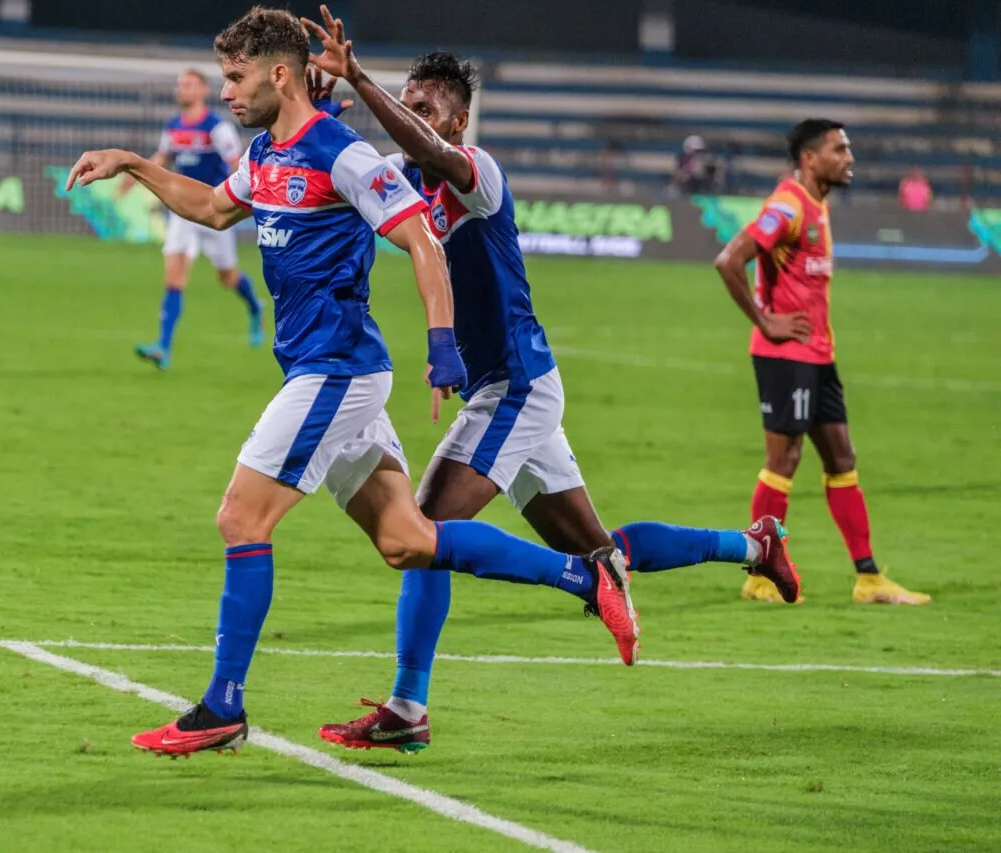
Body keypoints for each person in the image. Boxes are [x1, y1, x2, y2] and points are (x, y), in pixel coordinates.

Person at [65, 6, 645, 759]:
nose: (227, 93)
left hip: (337, 373)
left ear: (280, 74)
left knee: (242, 518)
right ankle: (585, 575)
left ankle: (221, 706)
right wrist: (134, 163)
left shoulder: (340, 154)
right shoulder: (268, 153)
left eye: (236, 78)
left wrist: (443, 349)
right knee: (409, 540)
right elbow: (211, 209)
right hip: (327, 372)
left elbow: (420, 237)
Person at [300, 7, 798, 753]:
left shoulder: (479, 173)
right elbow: (356, 170)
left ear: (460, 118)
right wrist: (318, 108)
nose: (413, 112)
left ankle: (409, 708)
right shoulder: (412, 181)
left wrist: (363, 80)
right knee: (606, 552)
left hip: (516, 388)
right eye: (409, 100)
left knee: (427, 527)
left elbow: (419, 146)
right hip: (511, 389)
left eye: (426, 103)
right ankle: (755, 545)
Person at [714, 118, 930, 606]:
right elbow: (730, 260)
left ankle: (869, 578)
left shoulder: (816, 203)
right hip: (785, 356)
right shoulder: (788, 205)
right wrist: (766, 320)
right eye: (840, 148)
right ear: (810, 159)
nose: (849, 156)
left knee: (841, 458)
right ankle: (759, 573)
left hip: (818, 355)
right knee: (783, 460)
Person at [118, 69, 264, 369]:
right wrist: (134, 175)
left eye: (188, 84)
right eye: (179, 84)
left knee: (227, 278)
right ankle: (163, 347)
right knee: (174, 278)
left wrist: (247, 200)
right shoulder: (172, 126)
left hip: (214, 211)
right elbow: (163, 157)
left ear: (201, 91)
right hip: (184, 213)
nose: (181, 89)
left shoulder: (217, 128)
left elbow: (237, 166)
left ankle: (254, 306)